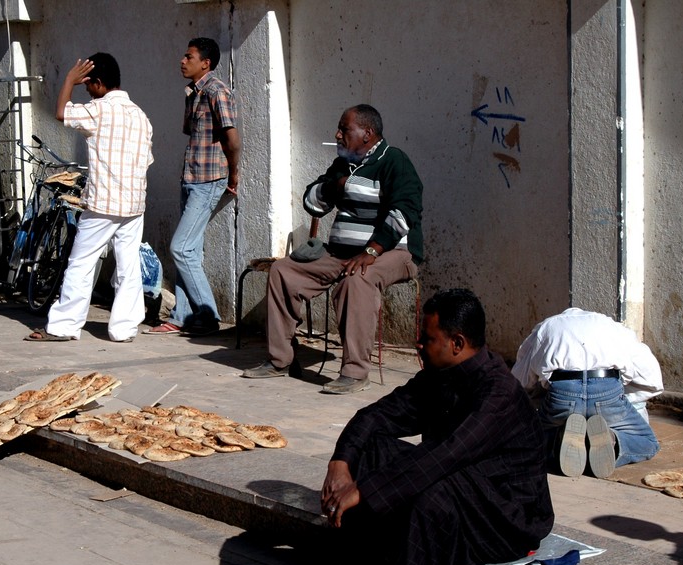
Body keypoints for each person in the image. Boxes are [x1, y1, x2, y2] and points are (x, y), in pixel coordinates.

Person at [293, 289, 554, 565]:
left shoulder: (499, 394)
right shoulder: (439, 375)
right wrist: (341, 464)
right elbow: (374, 417)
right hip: (457, 486)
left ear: (457, 342)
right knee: (372, 449)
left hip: (508, 513)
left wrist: (364, 491)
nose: (419, 345)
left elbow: (445, 456)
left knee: (432, 487)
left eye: (427, 338)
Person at [241, 104, 422, 394]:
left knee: (358, 280)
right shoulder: (343, 163)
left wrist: (373, 251)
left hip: (392, 253)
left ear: (368, 133)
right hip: (340, 254)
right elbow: (312, 203)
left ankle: (355, 372)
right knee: (284, 270)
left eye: (344, 129)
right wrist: (332, 189)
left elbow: (405, 212)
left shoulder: (394, 162)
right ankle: (279, 360)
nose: (337, 134)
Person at [24, 53, 153, 343]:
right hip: (134, 204)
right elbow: (146, 160)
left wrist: (68, 79)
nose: (87, 91)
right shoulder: (141, 116)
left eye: (87, 85)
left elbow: (62, 113)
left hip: (104, 203)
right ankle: (124, 328)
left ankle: (64, 325)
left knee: (81, 262)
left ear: (97, 83)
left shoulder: (99, 110)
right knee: (128, 265)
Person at [145, 37, 241, 337]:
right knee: (191, 250)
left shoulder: (217, 91)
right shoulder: (193, 93)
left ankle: (208, 315)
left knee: (181, 248)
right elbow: (194, 135)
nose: (182, 61)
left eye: (189, 56)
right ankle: (182, 316)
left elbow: (232, 139)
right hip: (191, 178)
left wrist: (233, 174)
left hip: (209, 181)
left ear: (206, 63)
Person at [511, 307, 663, 479]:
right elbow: (652, 379)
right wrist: (627, 398)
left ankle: (558, 442)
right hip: (607, 389)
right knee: (648, 441)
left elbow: (520, 382)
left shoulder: (547, 326)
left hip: (562, 392)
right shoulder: (614, 328)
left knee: (523, 440)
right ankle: (613, 442)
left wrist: (535, 403)